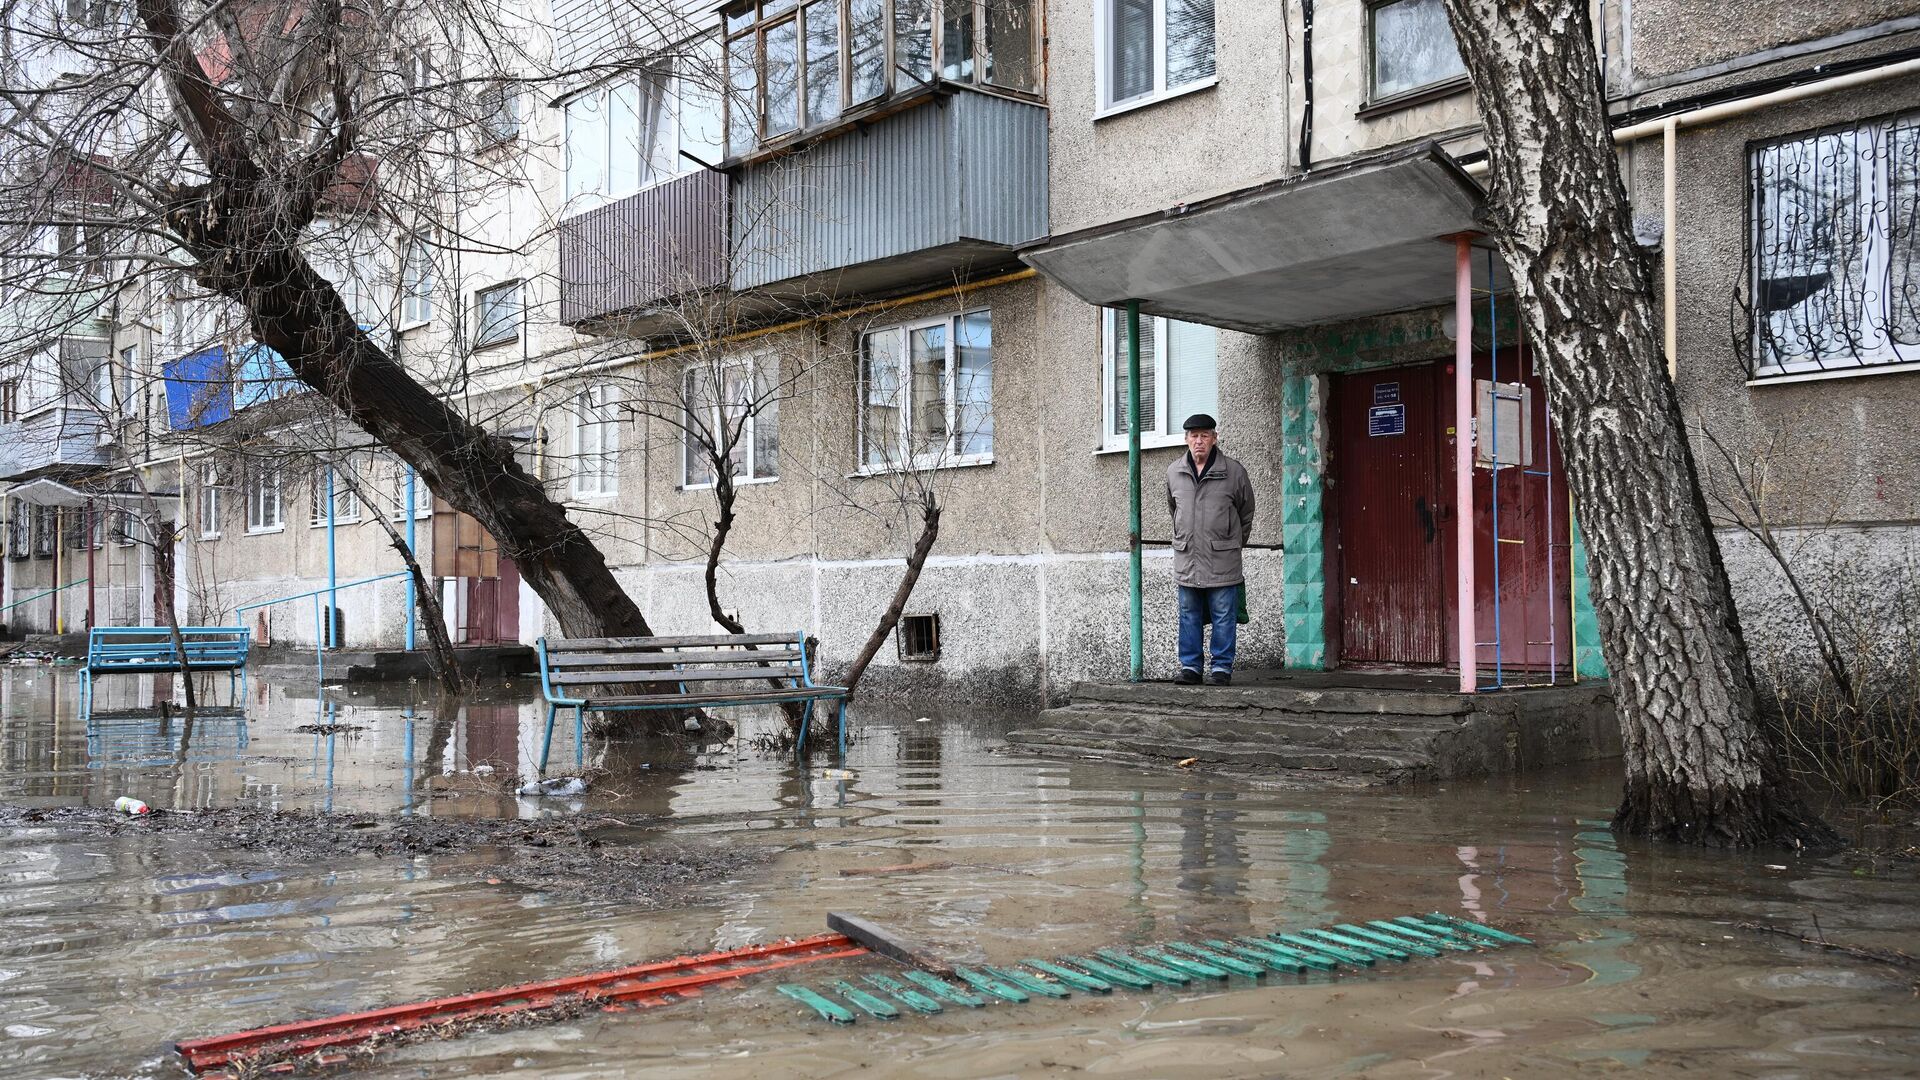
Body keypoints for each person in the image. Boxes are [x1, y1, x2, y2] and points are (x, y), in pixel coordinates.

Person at [1166, 413, 1255, 686]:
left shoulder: (1234, 472)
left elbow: (1246, 512)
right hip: (1188, 558)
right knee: (1188, 614)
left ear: (1215, 438)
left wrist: (1231, 544)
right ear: (1185, 440)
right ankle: (1190, 668)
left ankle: (1221, 669)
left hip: (1223, 559)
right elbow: (1174, 511)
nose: (1199, 441)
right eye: (1193, 436)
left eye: (1205, 435)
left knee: (1223, 615)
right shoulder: (1174, 472)